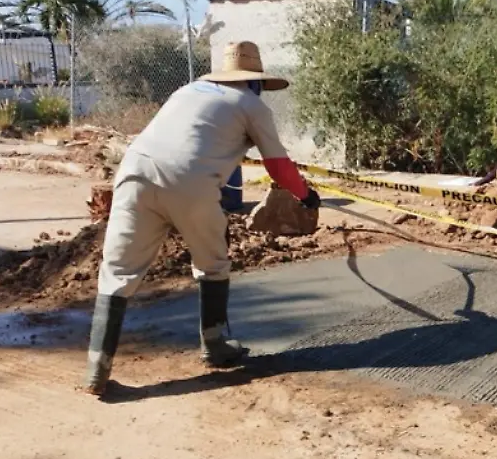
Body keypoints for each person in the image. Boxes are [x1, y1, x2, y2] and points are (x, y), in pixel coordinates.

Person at [83, 40, 321, 396]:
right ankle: (215, 346)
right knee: (213, 263)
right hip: (189, 184)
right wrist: (306, 195)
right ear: (254, 80)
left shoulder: (186, 91)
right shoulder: (251, 105)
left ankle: (95, 371)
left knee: (117, 270)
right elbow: (279, 166)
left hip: (134, 172)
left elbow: (182, 138)